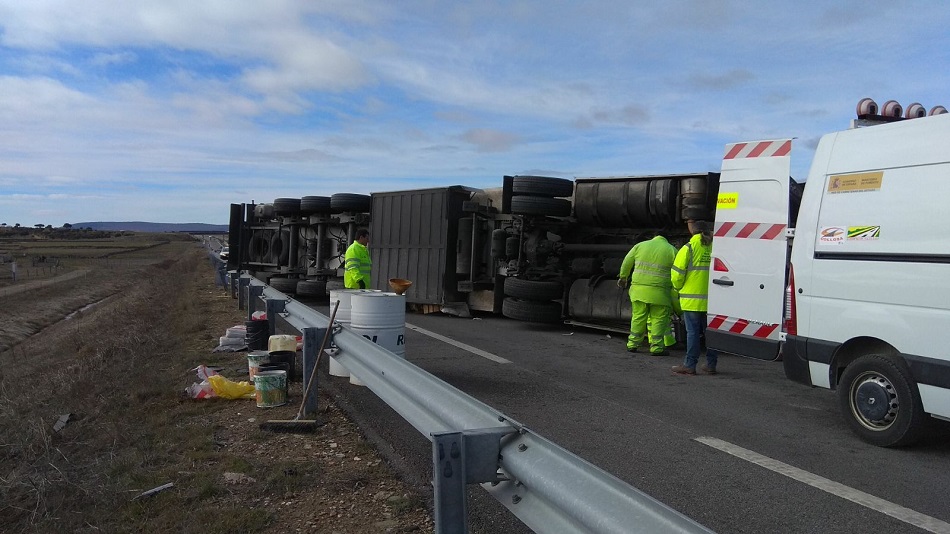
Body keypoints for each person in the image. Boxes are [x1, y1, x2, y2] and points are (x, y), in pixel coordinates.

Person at [670, 220, 719, 375]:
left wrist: (677, 288)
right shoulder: (715, 247)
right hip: (712, 300)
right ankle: (711, 364)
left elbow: (677, 275)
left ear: (693, 231)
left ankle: (690, 365)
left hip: (691, 301)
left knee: (692, 333)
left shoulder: (688, 248)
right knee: (710, 333)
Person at [617, 232, 676, 355]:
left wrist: (623, 277)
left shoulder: (640, 246)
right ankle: (656, 348)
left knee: (638, 317)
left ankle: (632, 344)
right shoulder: (672, 250)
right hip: (660, 293)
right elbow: (678, 271)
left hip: (639, 291)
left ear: (654, 237)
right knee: (658, 320)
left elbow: (627, 262)